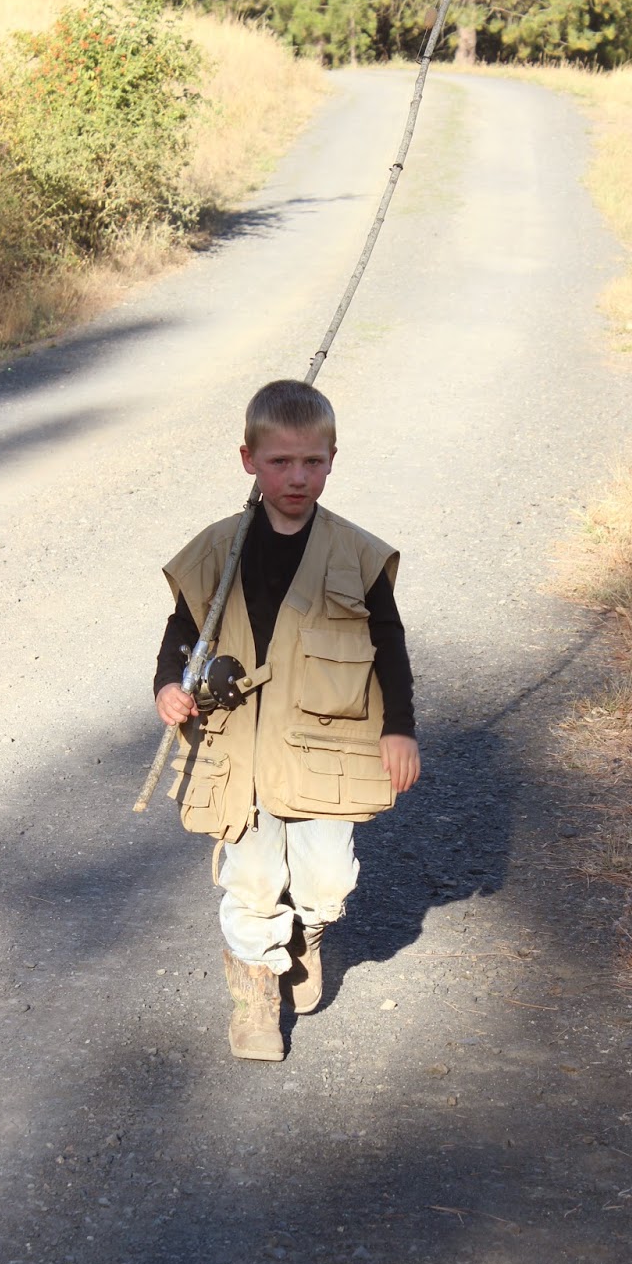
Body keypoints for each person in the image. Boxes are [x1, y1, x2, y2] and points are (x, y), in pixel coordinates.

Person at [154, 379, 420, 1062]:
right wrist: (168, 687)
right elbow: (183, 631)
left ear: (332, 460)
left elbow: (389, 644)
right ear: (249, 460)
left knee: (327, 880)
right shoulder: (217, 550)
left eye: (312, 462)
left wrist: (399, 727)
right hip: (239, 751)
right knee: (251, 880)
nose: (297, 478)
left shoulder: (357, 555)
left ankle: (308, 932)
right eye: (280, 462)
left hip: (324, 751)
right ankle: (255, 989)